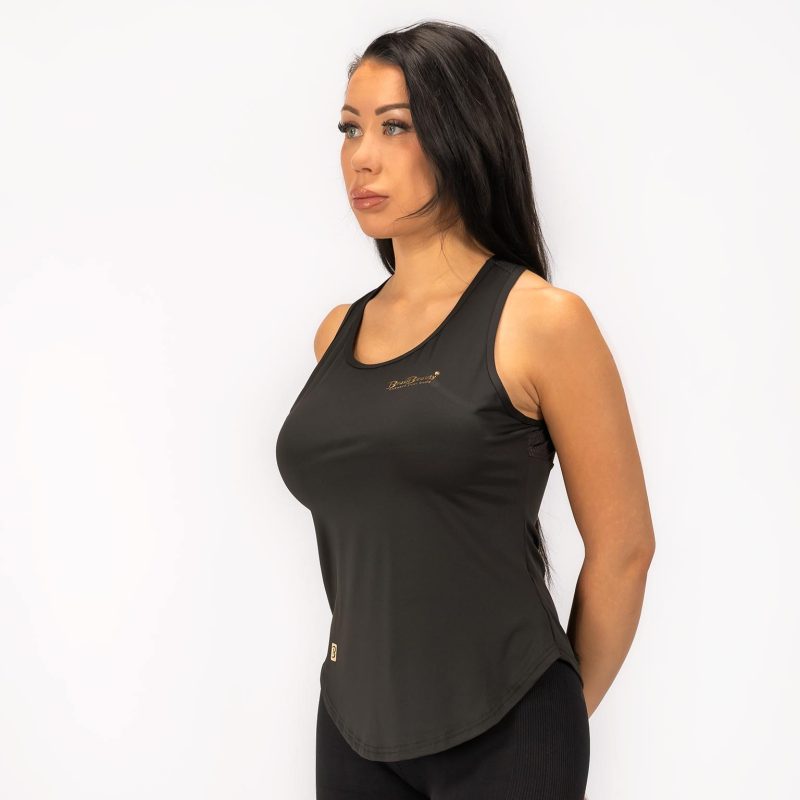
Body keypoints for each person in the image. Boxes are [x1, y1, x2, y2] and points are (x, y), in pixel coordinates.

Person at [275, 19, 655, 800]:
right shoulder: (335, 333)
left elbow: (624, 549)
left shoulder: (540, 321)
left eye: (395, 126)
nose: (361, 156)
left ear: (463, 133)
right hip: (351, 727)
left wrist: (554, 721)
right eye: (349, 129)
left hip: (508, 728)